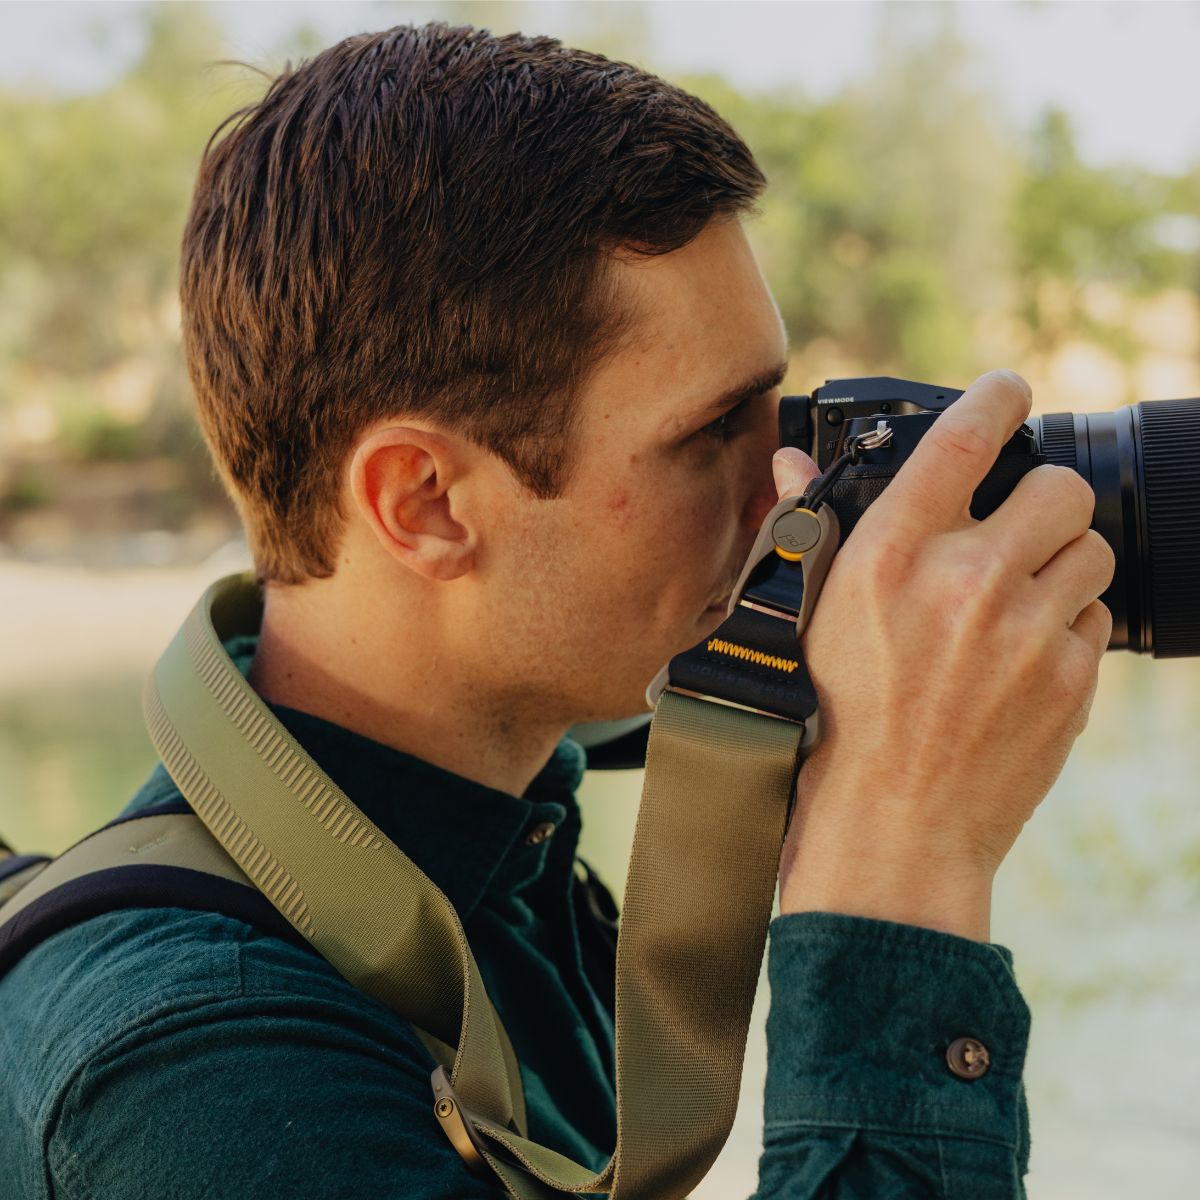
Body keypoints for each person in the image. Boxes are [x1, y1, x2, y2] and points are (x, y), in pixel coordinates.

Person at [0, 22, 1115, 1199]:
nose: (792, 491)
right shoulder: (201, 1082)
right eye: (710, 436)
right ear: (424, 503)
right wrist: (901, 865)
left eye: (782, 411)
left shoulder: (493, 848)